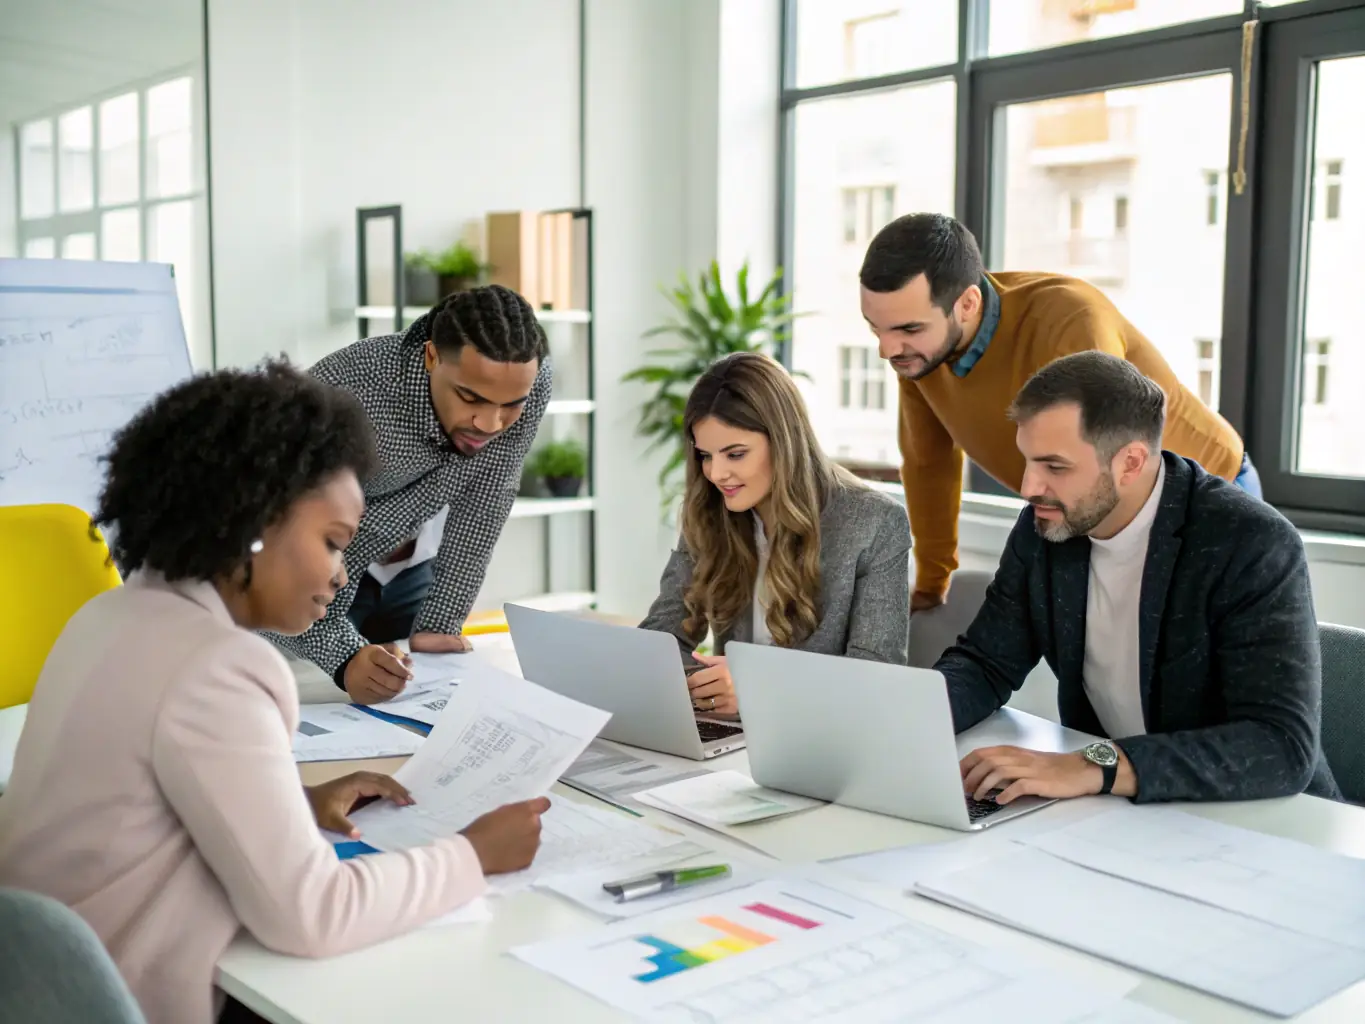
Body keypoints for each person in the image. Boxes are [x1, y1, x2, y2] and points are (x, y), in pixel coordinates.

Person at [0, 363, 550, 1024]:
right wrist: (473, 855)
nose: (340, 575)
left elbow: (131, 801)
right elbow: (313, 915)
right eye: (332, 542)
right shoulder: (216, 665)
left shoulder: (111, 616)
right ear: (252, 524)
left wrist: (291, 800)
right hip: (130, 996)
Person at [938, 352, 1338, 806]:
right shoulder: (1046, 526)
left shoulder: (1249, 542)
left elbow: (1279, 746)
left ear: (1130, 462)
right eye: (1027, 461)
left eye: (1055, 467)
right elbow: (987, 662)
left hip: (1263, 819)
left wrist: (1094, 765)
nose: (1029, 487)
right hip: (1121, 815)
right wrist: (905, 723)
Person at [859, 212, 1259, 614]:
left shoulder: (1070, 320)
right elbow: (929, 464)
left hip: (1203, 492)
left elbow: (1101, 467)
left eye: (909, 329)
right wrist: (931, 583)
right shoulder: (919, 357)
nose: (887, 350)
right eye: (877, 329)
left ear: (967, 303)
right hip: (1093, 510)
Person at [269, 284, 552, 705]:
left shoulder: (530, 383)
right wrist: (344, 660)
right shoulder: (343, 396)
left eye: (510, 405)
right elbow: (270, 554)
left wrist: (441, 622)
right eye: (470, 397)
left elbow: (487, 499)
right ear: (432, 355)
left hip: (410, 568)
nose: (491, 423)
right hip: (321, 576)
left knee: (411, 707)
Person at [639, 351, 911, 717]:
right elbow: (659, 640)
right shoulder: (710, 509)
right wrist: (702, 682)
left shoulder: (874, 522)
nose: (716, 473)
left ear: (784, 441)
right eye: (705, 456)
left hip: (821, 743)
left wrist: (758, 688)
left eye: (735, 454)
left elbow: (878, 677)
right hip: (732, 739)